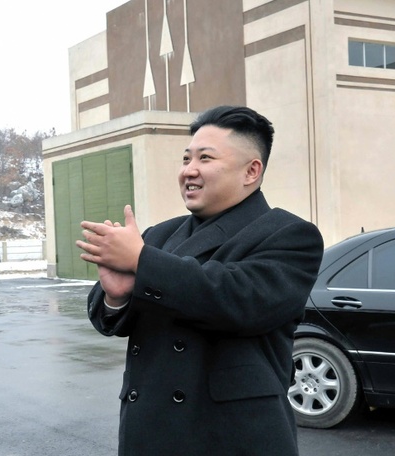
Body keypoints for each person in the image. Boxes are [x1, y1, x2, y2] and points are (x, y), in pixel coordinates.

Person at [77, 105, 324, 455]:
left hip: (233, 437)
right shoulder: (159, 235)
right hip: (149, 434)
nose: (188, 170)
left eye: (205, 158)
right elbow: (109, 320)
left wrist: (141, 260)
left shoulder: (289, 234)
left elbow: (235, 298)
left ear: (251, 171)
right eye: (186, 158)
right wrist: (116, 297)